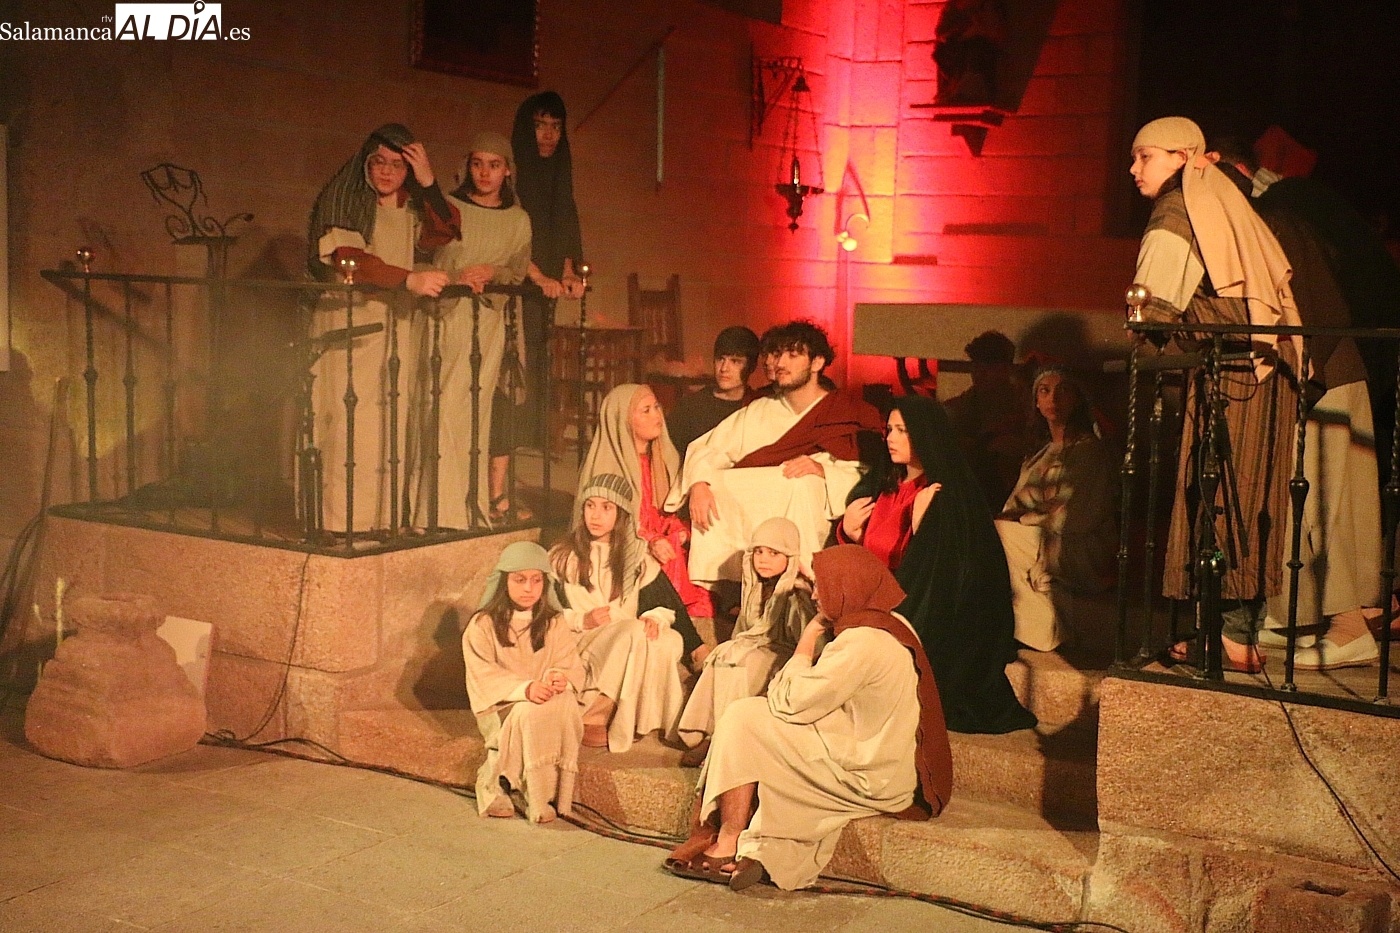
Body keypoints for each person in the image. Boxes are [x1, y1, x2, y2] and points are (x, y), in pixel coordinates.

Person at [665, 545, 953, 892]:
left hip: (866, 774)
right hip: (874, 756)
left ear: (847, 587)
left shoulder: (860, 643)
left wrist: (808, 636)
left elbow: (789, 702)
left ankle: (730, 838)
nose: (815, 595)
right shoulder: (890, 623)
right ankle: (748, 841)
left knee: (742, 718)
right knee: (751, 720)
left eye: (822, 586)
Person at [1129, 116, 1301, 672]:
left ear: (1182, 157)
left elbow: (1151, 308)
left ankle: (1231, 638)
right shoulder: (1220, 199)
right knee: (1242, 496)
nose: (1133, 169)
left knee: (1225, 496)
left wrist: (1145, 341)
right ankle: (1232, 632)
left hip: (1237, 374)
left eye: (1145, 156)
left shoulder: (1179, 207)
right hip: (1259, 369)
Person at [1207, 141, 1386, 668]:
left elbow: (1315, 306)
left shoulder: (1273, 220)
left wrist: (1305, 377)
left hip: (1327, 374)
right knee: (1301, 499)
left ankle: (1351, 626)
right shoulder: (1264, 222)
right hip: (1311, 375)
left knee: (1333, 499)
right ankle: (1299, 618)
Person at [841, 395, 1036, 733]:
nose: (891, 438)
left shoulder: (941, 494)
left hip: (916, 609)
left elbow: (940, 574)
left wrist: (923, 529)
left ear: (925, 433)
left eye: (903, 430)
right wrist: (850, 533)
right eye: (889, 429)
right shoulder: (882, 486)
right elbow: (871, 554)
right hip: (875, 599)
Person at [305, 123, 458, 532]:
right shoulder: (345, 199)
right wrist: (408, 280)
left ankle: (380, 520)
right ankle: (340, 523)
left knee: (387, 422)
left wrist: (429, 183)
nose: (387, 172)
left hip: (394, 324)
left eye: (398, 165)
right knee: (350, 424)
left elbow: (445, 231)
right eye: (379, 163)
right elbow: (350, 259)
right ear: (366, 164)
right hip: (350, 323)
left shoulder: (409, 207)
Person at [663, 320, 883, 586]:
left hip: (811, 521)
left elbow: (868, 472)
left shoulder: (844, 410)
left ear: (817, 362)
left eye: (793, 355)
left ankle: (802, 582)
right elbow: (709, 448)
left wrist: (823, 470)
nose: (781, 363)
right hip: (755, 526)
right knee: (714, 483)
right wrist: (699, 484)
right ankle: (729, 583)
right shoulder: (760, 410)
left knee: (801, 483)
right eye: (778, 355)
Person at [408, 131, 532, 530]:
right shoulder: (450, 207)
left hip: (487, 324)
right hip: (447, 318)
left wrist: (492, 271)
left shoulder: (518, 220)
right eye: (478, 163)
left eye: (494, 165)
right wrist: (456, 276)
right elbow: (423, 254)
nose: (485, 172)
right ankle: (429, 508)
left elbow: (517, 271)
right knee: (440, 407)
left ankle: (464, 507)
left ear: (507, 171)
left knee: (474, 410)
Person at [551, 473, 689, 753]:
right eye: (590, 506)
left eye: (606, 508)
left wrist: (654, 618)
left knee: (668, 640)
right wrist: (582, 619)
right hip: (583, 638)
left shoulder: (636, 557)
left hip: (625, 639)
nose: (596, 515)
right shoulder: (562, 556)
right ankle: (597, 710)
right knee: (632, 632)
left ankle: (641, 717)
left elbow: (666, 607)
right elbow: (545, 614)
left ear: (621, 513)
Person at [673, 517, 816, 767]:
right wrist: (733, 648)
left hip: (784, 654)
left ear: (790, 557)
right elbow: (743, 632)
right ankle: (707, 732)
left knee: (746, 662)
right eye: (758, 552)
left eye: (773, 553)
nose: (763, 559)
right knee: (725, 654)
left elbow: (805, 642)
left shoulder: (796, 593)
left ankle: (727, 738)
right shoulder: (753, 587)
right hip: (755, 647)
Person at [994, 368, 1117, 652]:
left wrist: (1025, 519)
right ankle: (1023, 623)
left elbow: (1079, 515)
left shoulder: (1089, 451)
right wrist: (1013, 516)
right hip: (1039, 533)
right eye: (1045, 391)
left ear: (1076, 399)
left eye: (1063, 390)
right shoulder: (1041, 453)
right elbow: (1015, 503)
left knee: (1000, 535)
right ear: (1036, 402)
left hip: (1077, 541)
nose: (1054, 399)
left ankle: (1044, 629)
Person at [462, 541, 585, 823]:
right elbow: (483, 675)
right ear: (504, 581)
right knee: (528, 711)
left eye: (536, 580)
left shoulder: (554, 622)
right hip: (502, 705)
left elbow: (569, 663)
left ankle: (542, 791)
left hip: (543, 700)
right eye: (519, 580)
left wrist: (559, 677)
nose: (529, 588)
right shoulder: (482, 625)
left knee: (564, 701)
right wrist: (525, 690)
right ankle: (495, 783)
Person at [578, 383, 715, 628]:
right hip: (629, 547)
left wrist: (678, 530)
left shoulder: (664, 458)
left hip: (666, 541)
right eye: (646, 411)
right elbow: (614, 525)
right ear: (624, 420)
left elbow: (670, 510)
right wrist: (651, 540)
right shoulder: (606, 468)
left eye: (657, 407)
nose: (657, 416)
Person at [511, 92, 586, 448]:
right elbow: (509, 231)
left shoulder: (559, 168)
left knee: (540, 351)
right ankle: (512, 434)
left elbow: (565, 216)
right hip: (515, 275)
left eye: (556, 127)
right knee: (517, 354)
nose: (548, 135)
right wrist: (536, 275)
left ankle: (534, 433)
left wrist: (568, 271)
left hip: (546, 279)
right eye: (541, 125)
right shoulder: (512, 170)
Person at [942, 330, 1034, 511]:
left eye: (988, 368)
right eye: (976, 367)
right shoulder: (964, 404)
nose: (979, 374)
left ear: (1006, 369)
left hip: (1011, 492)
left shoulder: (1024, 404)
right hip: (968, 490)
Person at [667, 327, 761, 458]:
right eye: (720, 359)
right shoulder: (690, 406)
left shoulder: (758, 407)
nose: (724, 368)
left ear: (751, 366)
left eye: (735, 361)